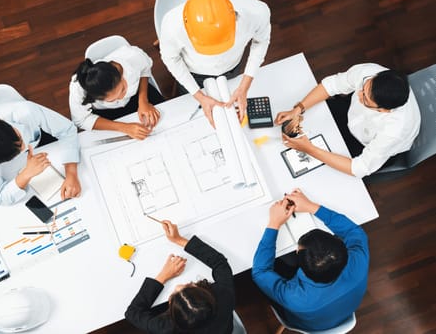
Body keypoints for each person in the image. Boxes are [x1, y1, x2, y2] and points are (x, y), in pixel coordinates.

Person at [252, 188, 369, 331]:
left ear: (299, 259)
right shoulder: (359, 262)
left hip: (307, 323)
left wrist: (274, 223)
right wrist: (311, 206)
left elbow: (260, 271)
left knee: (279, 265)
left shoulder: (294, 297)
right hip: (342, 312)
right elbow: (353, 232)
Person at [275, 64, 421, 178]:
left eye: (365, 99)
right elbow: (331, 85)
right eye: (363, 88)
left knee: (317, 171)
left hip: (366, 144)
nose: (358, 94)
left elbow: (359, 168)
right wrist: (298, 109)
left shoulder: (394, 131)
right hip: (350, 116)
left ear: (383, 110)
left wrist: (309, 149)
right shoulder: (368, 72)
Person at [159, 0, 271, 126]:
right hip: (194, 73)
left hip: (232, 66)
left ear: (234, 17)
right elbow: (171, 59)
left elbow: (261, 41)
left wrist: (244, 87)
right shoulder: (172, 25)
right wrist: (199, 97)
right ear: (187, 26)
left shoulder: (257, 12)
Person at [0, 100, 81, 206]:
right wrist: (26, 174)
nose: (24, 149)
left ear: (1, 120)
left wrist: (71, 174)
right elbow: (1, 197)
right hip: (11, 169)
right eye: (18, 151)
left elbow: (67, 130)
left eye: (20, 140)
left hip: (41, 140)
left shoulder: (26, 111)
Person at [125, 220, 235, 333]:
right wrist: (179, 239)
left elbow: (132, 313)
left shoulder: (166, 328)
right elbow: (220, 263)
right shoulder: (224, 295)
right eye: (188, 285)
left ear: (172, 314)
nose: (178, 286)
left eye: (172, 296)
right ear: (205, 294)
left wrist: (163, 276)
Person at [69, 44, 165, 140]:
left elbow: (145, 69)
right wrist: (124, 127)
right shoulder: (78, 89)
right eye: (113, 99)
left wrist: (143, 100)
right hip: (107, 113)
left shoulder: (132, 56)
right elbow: (81, 120)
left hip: (137, 94)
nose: (122, 97)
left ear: (120, 73)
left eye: (123, 89)